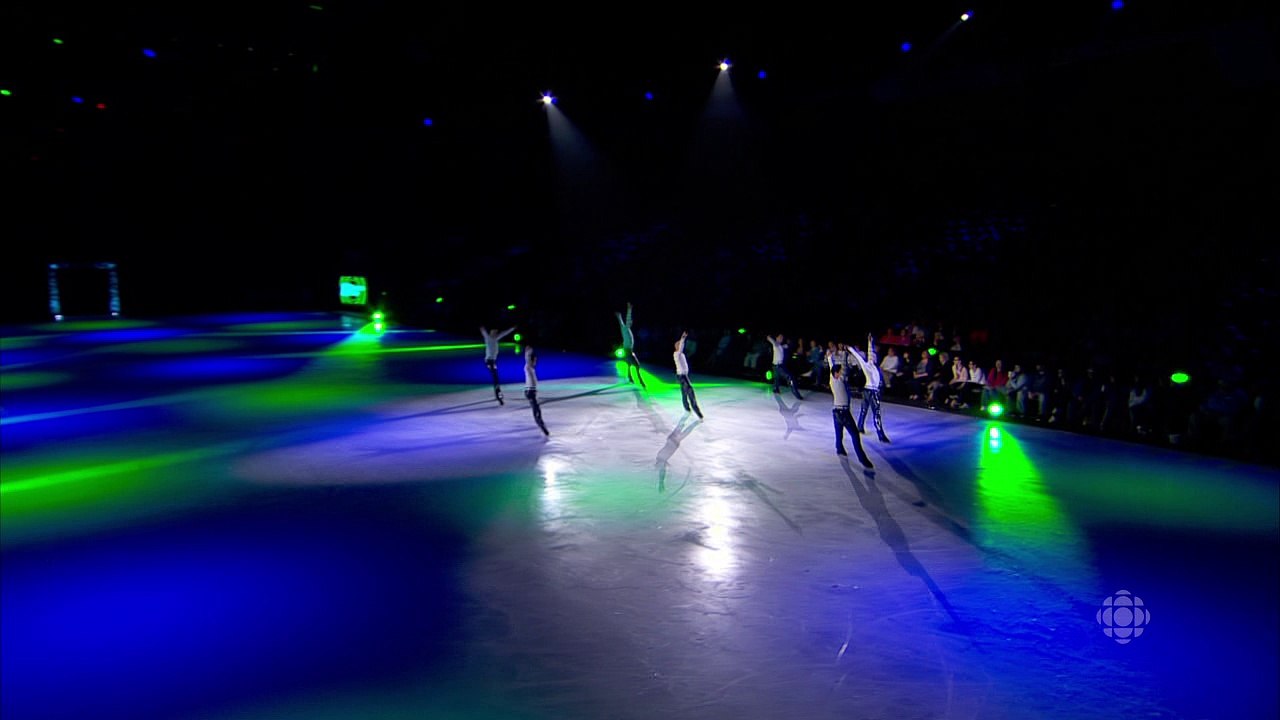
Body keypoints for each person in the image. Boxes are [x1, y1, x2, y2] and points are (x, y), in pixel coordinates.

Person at [849, 333, 891, 443]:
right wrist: (850, 349)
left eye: (874, 356)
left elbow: (870, 350)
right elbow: (858, 356)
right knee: (873, 412)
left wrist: (870, 341)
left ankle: (860, 426)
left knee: (866, 410)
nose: (873, 357)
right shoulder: (866, 365)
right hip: (870, 391)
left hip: (871, 391)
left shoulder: (876, 367)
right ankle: (880, 435)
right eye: (871, 356)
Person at [830, 364, 873, 468]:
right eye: (841, 371)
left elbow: (832, 369)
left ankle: (839, 449)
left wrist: (830, 358)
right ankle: (863, 459)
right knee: (855, 435)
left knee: (839, 433)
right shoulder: (839, 381)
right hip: (843, 412)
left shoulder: (833, 380)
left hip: (836, 411)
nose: (843, 373)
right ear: (837, 373)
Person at [480, 324, 516, 404]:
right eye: (494, 331)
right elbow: (483, 332)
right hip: (489, 361)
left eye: (496, 332)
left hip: (493, 361)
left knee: (495, 378)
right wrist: (482, 329)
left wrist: (512, 328)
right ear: (491, 332)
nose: (495, 333)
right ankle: (499, 395)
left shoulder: (496, 338)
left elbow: (504, 333)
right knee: (495, 378)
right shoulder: (488, 337)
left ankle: (498, 394)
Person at [614, 302, 646, 388]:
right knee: (637, 365)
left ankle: (630, 377)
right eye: (630, 322)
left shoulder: (625, 329)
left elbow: (621, 322)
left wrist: (619, 317)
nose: (631, 323)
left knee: (630, 364)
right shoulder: (626, 328)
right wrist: (629, 309)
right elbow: (627, 320)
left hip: (628, 350)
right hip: (628, 351)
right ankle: (640, 380)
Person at [673, 331, 704, 419]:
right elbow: (681, 346)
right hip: (682, 377)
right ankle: (696, 411)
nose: (681, 345)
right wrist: (683, 338)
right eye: (679, 344)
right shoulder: (676, 354)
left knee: (684, 392)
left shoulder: (681, 354)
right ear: (676, 347)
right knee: (690, 391)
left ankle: (686, 407)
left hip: (683, 376)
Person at [766, 333, 804, 399]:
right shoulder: (775, 344)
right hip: (777, 367)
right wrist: (770, 337)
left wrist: (799, 343)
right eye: (780, 337)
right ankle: (796, 394)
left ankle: (776, 389)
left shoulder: (782, 346)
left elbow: (789, 346)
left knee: (777, 379)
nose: (781, 338)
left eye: (782, 338)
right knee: (789, 378)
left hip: (777, 367)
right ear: (776, 338)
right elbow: (769, 338)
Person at [523, 345, 550, 436]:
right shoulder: (528, 367)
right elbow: (527, 358)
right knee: (536, 409)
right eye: (534, 360)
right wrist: (529, 351)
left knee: (537, 409)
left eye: (536, 361)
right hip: (529, 392)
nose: (535, 362)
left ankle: (540, 423)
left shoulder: (531, 368)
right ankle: (541, 425)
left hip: (532, 392)